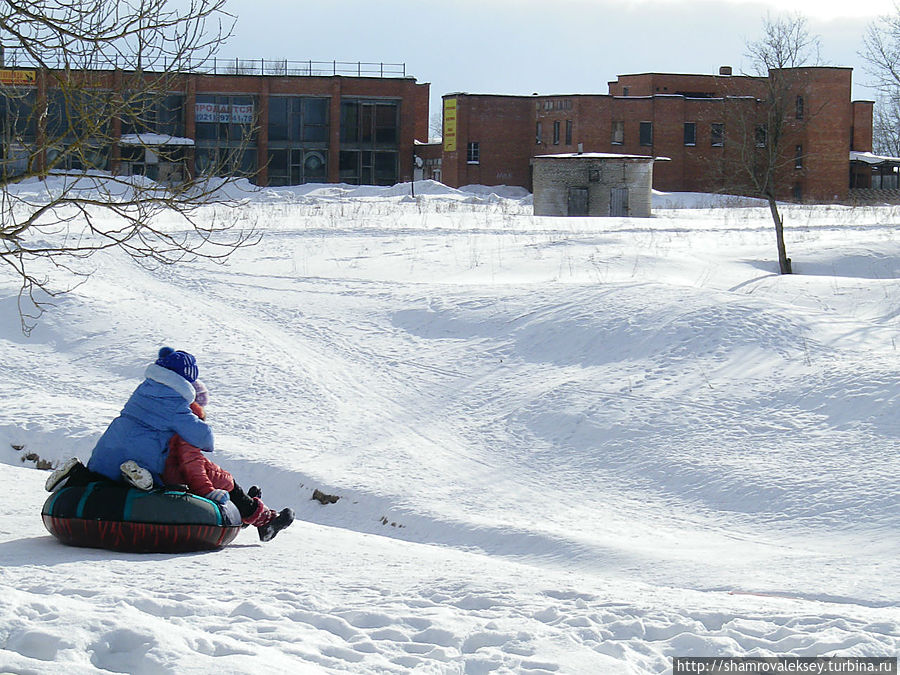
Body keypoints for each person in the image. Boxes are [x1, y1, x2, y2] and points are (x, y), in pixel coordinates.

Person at [163, 380, 294, 542]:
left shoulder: (173, 420)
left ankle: (243, 511)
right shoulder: (188, 425)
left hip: (182, 475)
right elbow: (191, 465)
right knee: (229, 485)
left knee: (226, 480)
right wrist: (206, 490)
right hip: (185, 480)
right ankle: (266, 522)